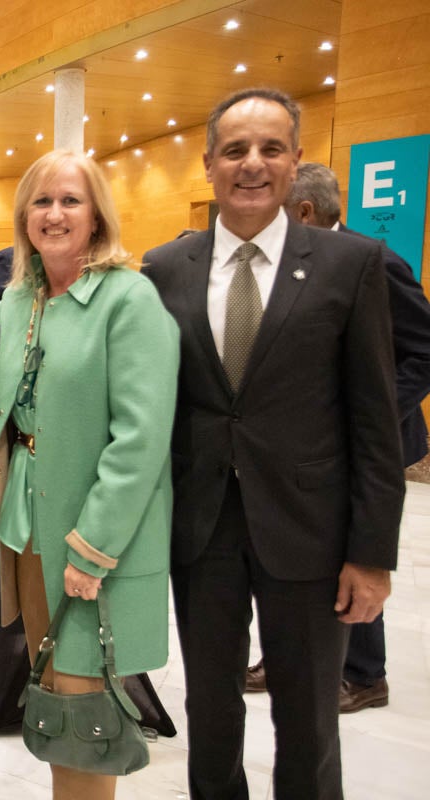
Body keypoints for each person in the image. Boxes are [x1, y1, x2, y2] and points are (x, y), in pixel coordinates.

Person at [141, 88, 404, 800]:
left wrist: (373, 554)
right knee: (212, 712)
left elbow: (376, 420)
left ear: (295, 163)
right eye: (235, 150)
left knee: (310, 717)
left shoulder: (351, 265)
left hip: (312, 533)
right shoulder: (165, 270)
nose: (252, 164)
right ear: (209, 164)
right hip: (202, 531)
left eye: (270, 148)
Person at [0, 148, 178, 799]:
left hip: (91, 540)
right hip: (28, 531)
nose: (54, 212)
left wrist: (93, 547)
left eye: (71, 199)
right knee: (53, 697)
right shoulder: (18, 301)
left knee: (84, 704)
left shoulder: (129, 299)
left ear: (97, 214)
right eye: (41, 200)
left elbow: (141, 437)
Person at [242, 163, 430, 713]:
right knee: (291, 551)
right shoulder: (281, 265)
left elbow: (424, 349)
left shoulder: (373, 262)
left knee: (352, 549)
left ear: (303, 212)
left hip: (362, 445)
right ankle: (287, 655)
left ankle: (364, 672)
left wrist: (371, 413)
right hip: (296, 447)